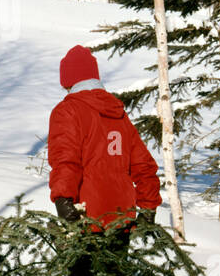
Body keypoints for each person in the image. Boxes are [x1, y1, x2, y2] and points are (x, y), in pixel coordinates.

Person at [48, 45, 161, 262]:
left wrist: (63, 199)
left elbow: (65, 160)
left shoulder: (67, 111)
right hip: (121, 216)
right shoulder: (118, 113)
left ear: (68, 79)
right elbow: (143, 165)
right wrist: (148, 206)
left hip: (86, 215)